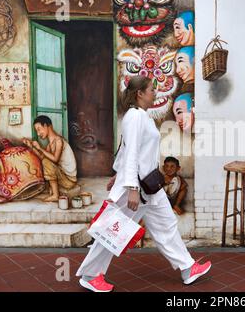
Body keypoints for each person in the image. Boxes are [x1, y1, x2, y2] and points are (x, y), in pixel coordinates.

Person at [76, 75, 211, 292]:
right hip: (137, 188)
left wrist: (117, 173)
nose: (155, 93)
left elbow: (124, 148)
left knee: (166, 224)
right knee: (112, 230)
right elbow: (131, 153)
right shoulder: (135, 117)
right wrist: (130, 187)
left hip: (150, 186)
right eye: (151, 90)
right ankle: (90, 275)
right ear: (140, 93)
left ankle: (188, 268)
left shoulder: (142, 116)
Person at [23, 116, 77, 202]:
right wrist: (32, 147)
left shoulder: (58, 140)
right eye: (37, 131)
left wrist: (40, 148)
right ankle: (53, 190)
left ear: (46, 125)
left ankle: (55, 195)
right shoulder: (50, 144)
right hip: (62, 176)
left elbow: (55, 159)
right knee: (45, 161)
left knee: (46, 162)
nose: (38, 133)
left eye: (39, 129)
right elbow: (42, 157)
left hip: (69, 180)